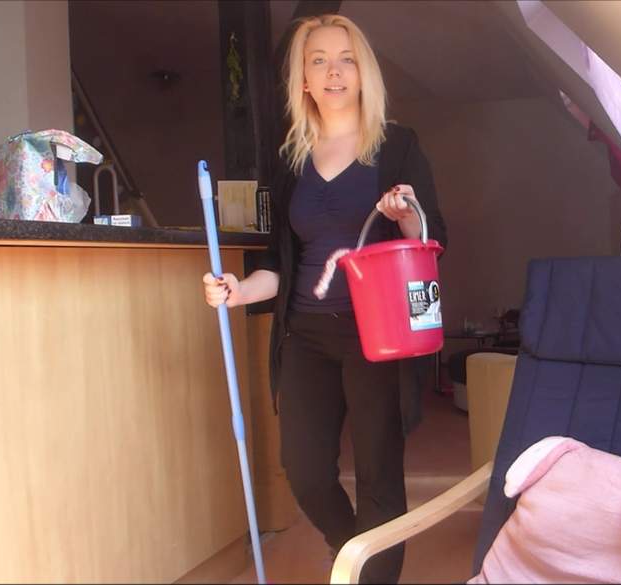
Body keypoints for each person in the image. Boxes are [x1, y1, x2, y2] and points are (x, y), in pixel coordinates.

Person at [202, 14, 447, 584]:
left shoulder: (397, 146)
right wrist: (238, 291)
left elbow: (430, 237)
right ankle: (353, 556)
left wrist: (406, 215)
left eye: (346, 59)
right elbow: (278, 263)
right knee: (305, 470)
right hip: (305, 335)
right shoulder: (291, 159)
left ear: (364, 73)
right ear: (304, 80)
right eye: (319, 61)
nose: (333, 71)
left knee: (378, 477)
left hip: (377, 336)